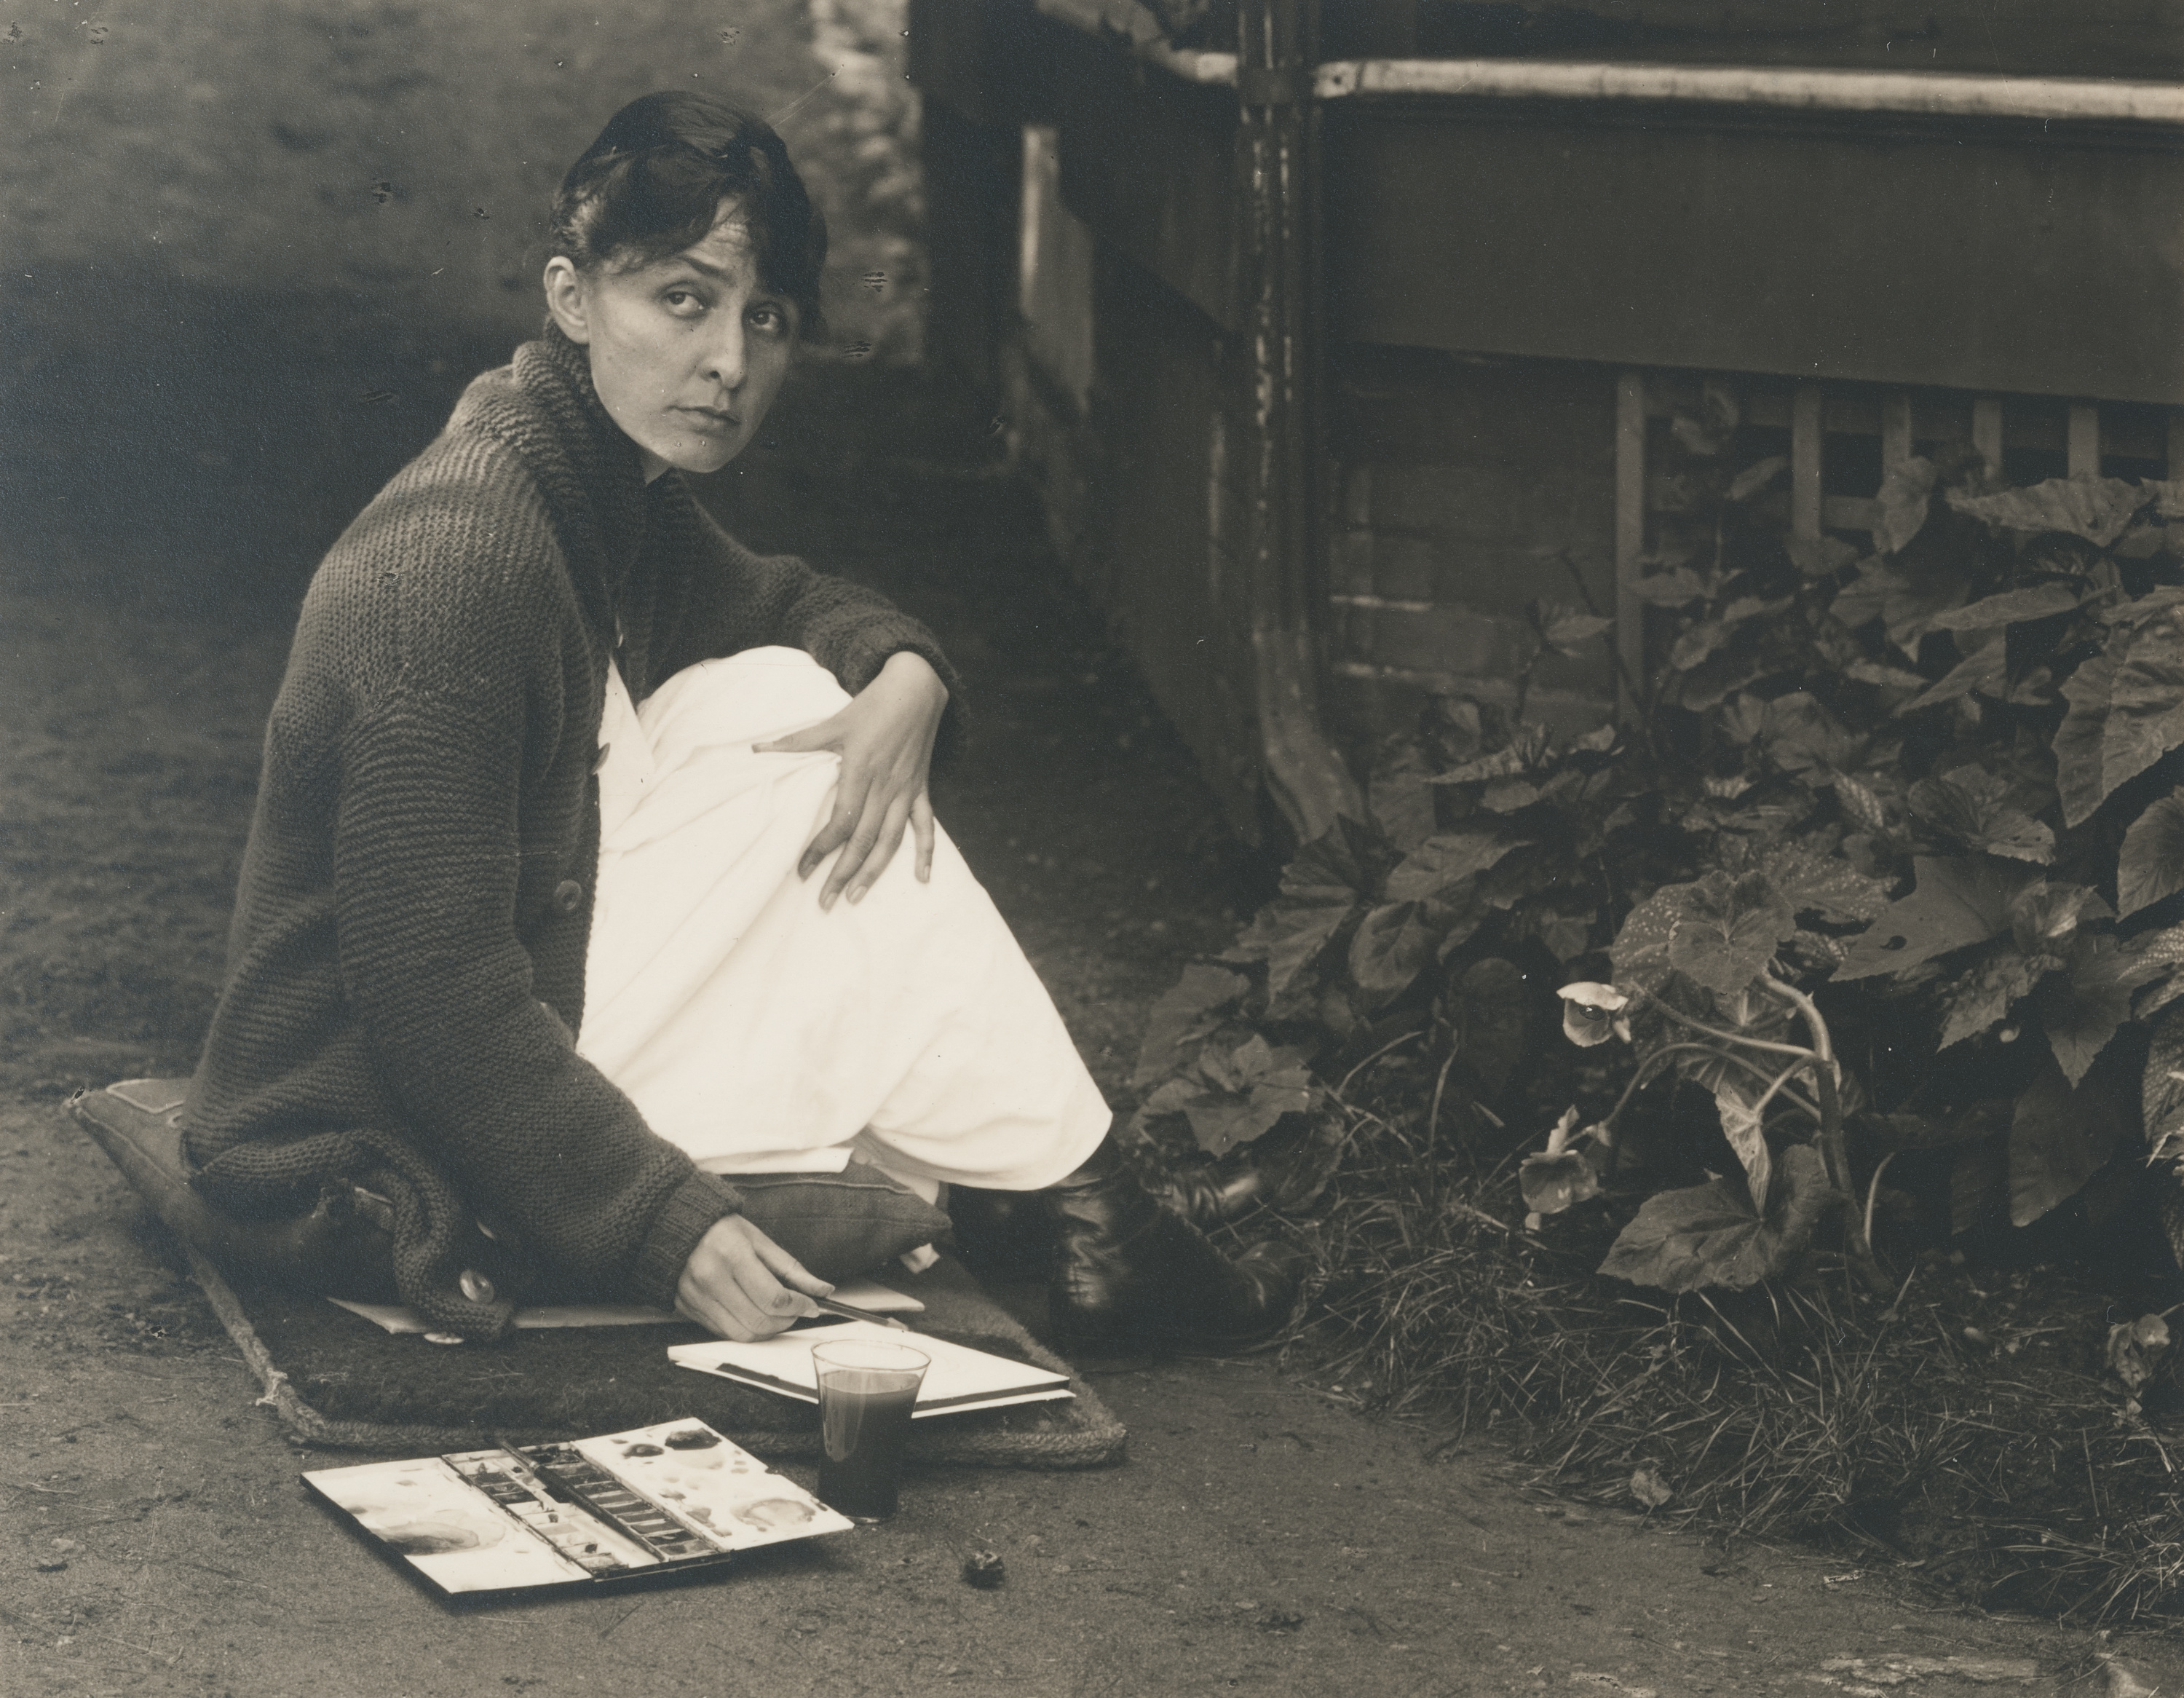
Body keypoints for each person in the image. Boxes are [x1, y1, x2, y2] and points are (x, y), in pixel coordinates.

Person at [179, 91, 1298, 1351]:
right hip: (366, 1109)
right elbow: (431, 997)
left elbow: (786, 599)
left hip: (495, 1020)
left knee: (788, 694)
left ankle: (1059, 1188)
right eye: (682, 299)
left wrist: (908, 678)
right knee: (787, 763)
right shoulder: (457, 563)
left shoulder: (597, 489)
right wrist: (662, 1224)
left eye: (764, 318)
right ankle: (1081, 1201)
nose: (727, 361)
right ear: (571, 294)